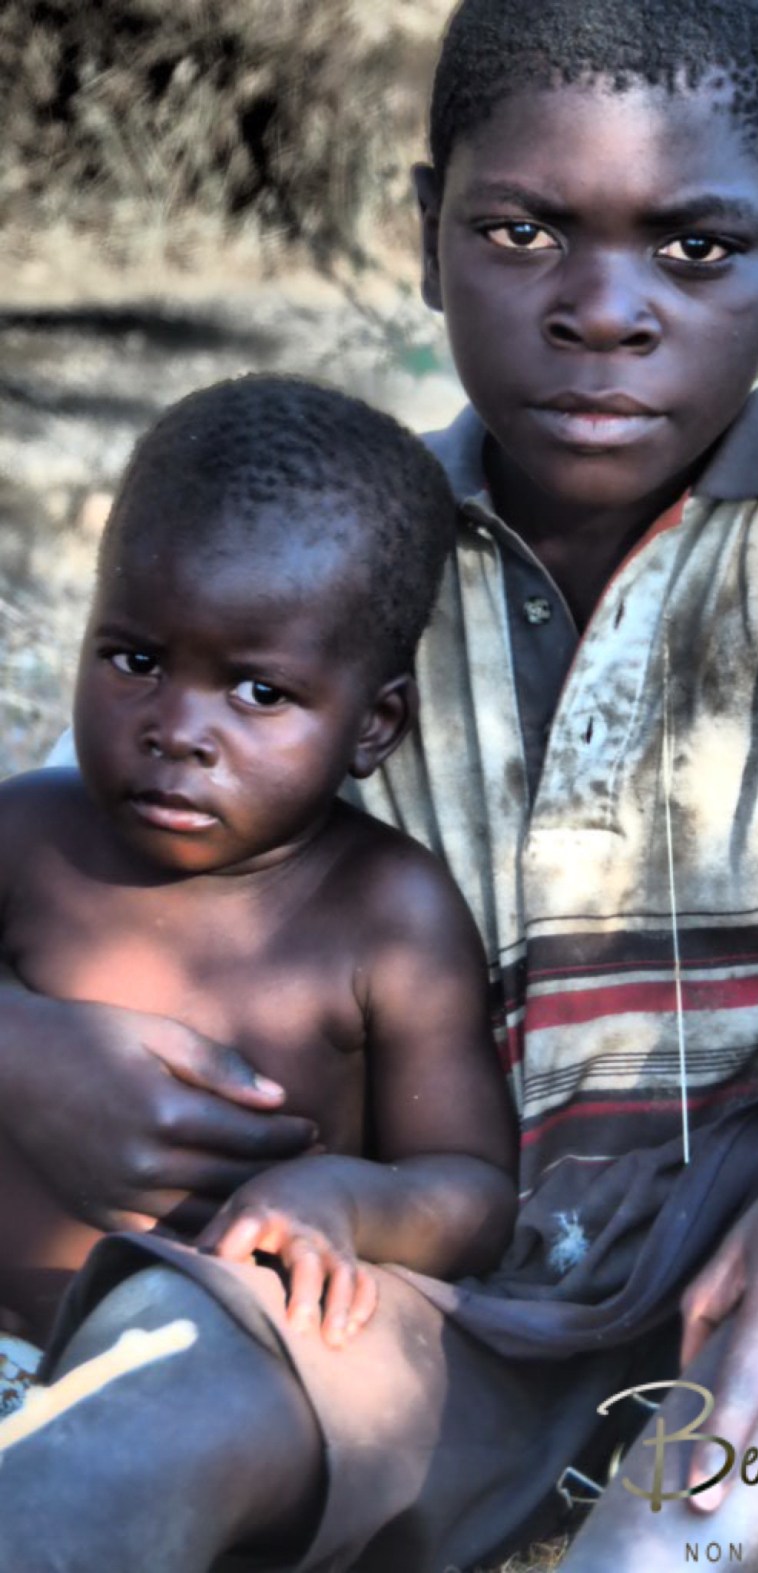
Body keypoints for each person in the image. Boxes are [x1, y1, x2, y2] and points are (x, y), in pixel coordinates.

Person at [3, 4, 758, 1570]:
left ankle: (674, 1536)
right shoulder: (328, 558)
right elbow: (56, 824)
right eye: (522, 230)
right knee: (123, 1426)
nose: (603, 309)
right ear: (429, 235)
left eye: (694, 249)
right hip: (419, 1297)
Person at [0, 373, 517, 1353]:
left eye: (258, 691)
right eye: (135, 660)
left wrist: (342, 1199)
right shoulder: (28, 836)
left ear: (375, 725)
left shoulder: (385, 915)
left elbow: (474, 1188)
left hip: (183, 1377)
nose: (178, 730)